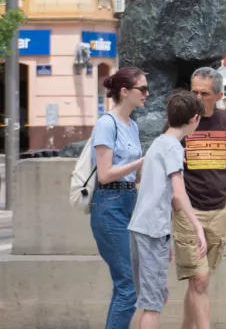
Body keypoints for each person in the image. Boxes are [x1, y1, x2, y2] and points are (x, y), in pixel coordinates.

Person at [128, 91, 207, 329]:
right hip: (151, 232)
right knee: (152, 305)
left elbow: (157, 193)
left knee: (155, 298)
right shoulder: (173, 147)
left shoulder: (159, 142)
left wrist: (167, 239)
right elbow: (179, 193)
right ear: (194, 118)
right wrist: (197, 227)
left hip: (144, 230)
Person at [177, 67, 226, 329]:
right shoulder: (180, 120)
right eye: (193, 91)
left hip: (218, 212)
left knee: (199, 281)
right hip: (188, 212)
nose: (196, 97)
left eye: (203, 93)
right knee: (200, 280)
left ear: (218, 95)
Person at [90, 67, 148, 329]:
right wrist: (141, 161)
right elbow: (104, 174)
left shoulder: (132, 125)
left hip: (129, 202)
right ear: (125, 92)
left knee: (125, 285)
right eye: (143, 89)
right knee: (128, 288)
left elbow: (133, 176)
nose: (147, 94)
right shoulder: (106, 123)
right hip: (109, 204)